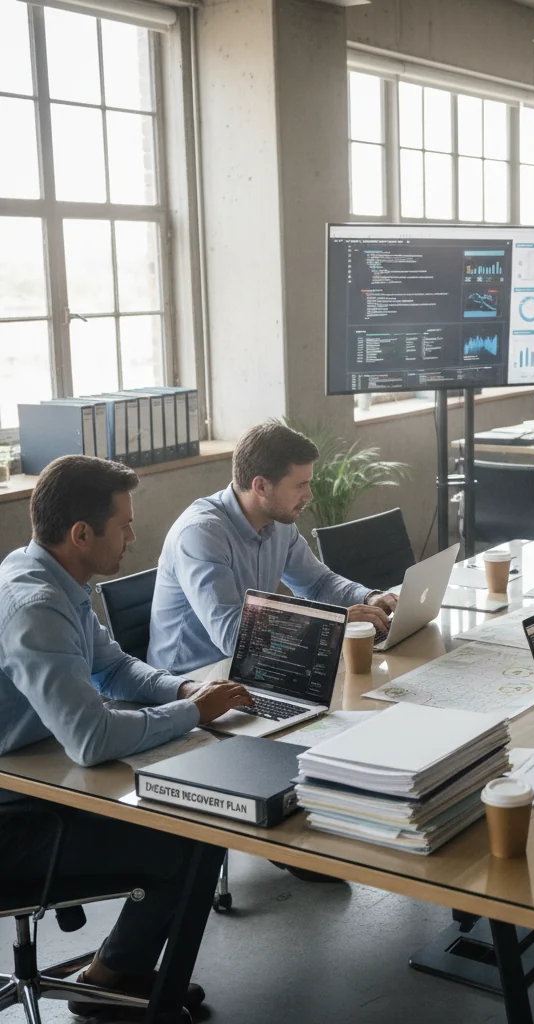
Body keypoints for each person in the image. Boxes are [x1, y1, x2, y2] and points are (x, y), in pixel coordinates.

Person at [0, 456, 251, 1017]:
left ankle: (115, 970)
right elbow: (90, 740)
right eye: (124, 526)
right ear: (81, 534)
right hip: (13, 820)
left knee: (186, 809)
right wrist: (193, 714)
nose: (133, 538)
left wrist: (184, 689)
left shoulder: (48, 574)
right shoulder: (37, 607)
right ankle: (118, 977)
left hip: (33, 777)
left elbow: (111, 668)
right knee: (191, 835)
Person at [148, 421, 397, 674]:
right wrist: (333, 624)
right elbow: (231, 636)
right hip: (190, 681)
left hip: (252, 664)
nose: (309, 495)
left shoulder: (278, 521)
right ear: (261, 487)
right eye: (300, 485)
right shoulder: (201, 534)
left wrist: (369, 598)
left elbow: (317, 583)